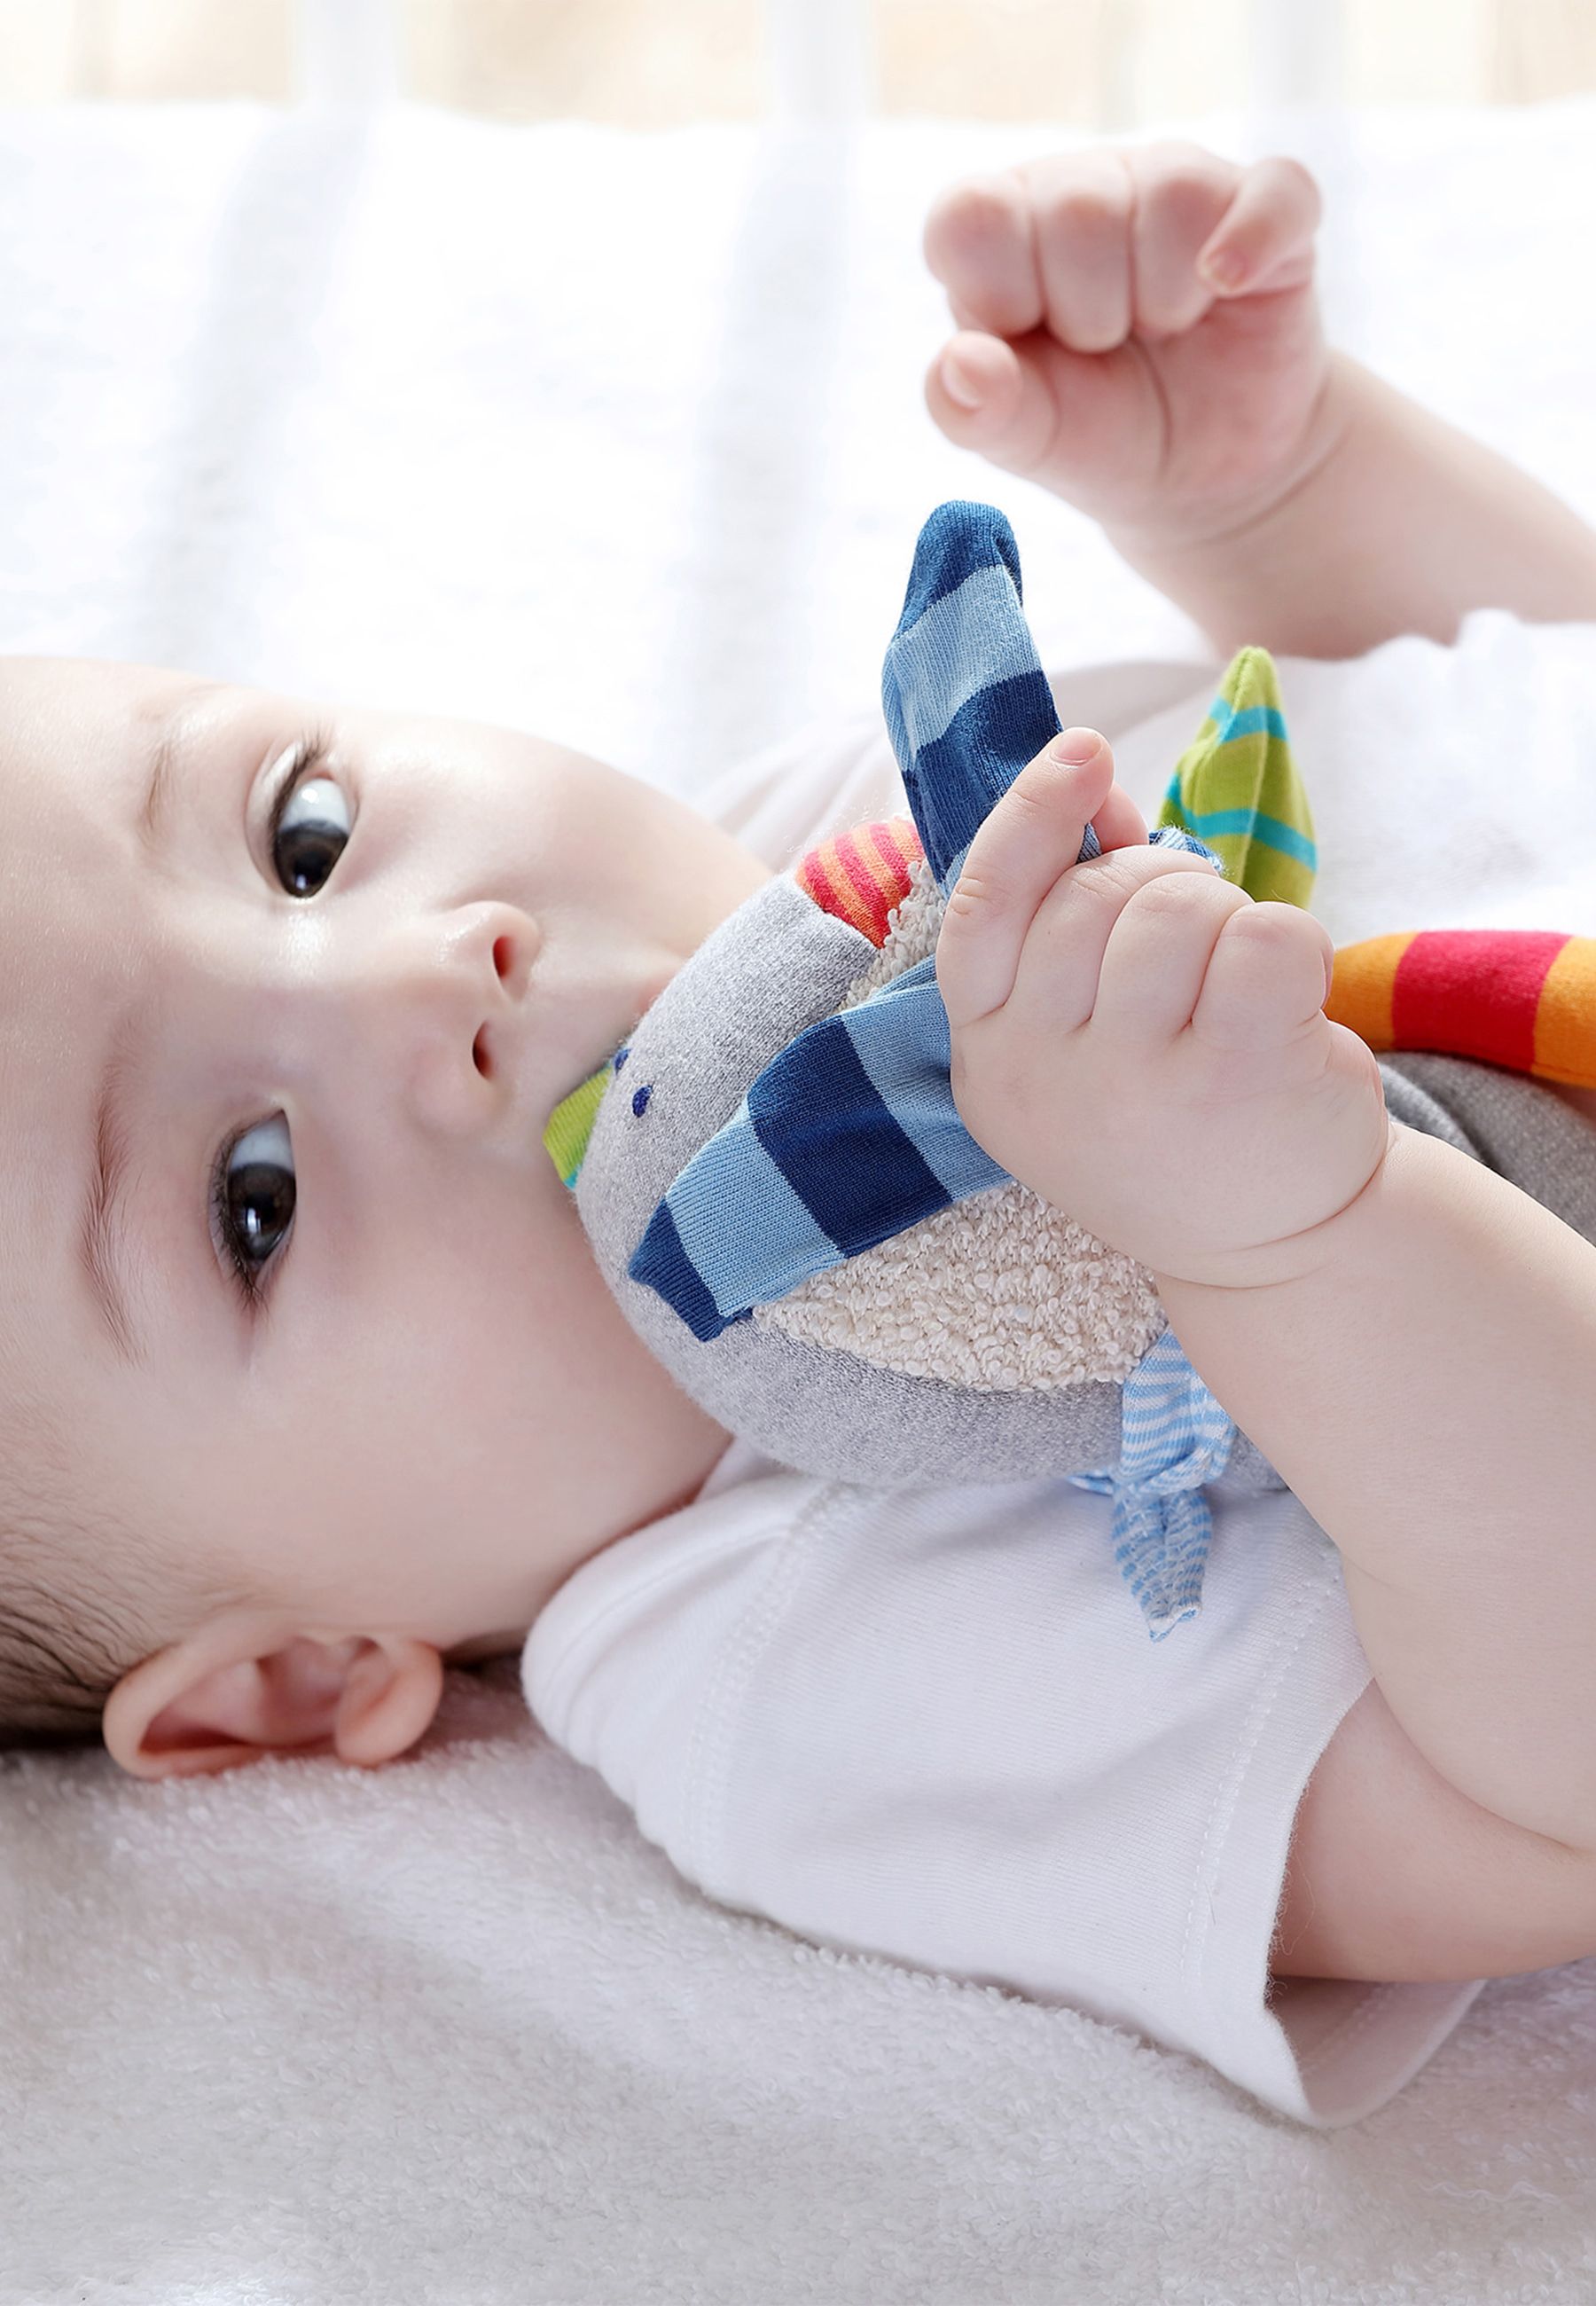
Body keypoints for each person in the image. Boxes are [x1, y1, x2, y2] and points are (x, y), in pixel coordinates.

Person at [9, 141, 1596, 2122]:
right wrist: (1298, 1237)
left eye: (301, 838)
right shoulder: (775, 1672)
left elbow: (1518, 715)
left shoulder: (833, 852)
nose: (436, 970)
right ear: (294, 1679)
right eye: (253, 1200)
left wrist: (1282, 495)